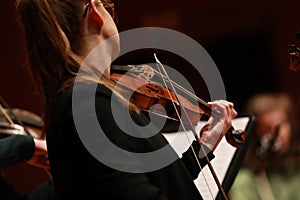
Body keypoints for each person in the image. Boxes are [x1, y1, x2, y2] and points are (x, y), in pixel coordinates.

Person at [15, 0, 239, 199]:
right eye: (108, 6)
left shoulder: (84, 101)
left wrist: (203, 146)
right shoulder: (85, 103)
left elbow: (153, 183)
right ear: (95, 11)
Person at [229, 92, 300, 200]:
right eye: (268, 128)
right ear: (255, 134)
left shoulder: (296, 170)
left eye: (282, 124)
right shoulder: (244, 181)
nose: (279, 134)